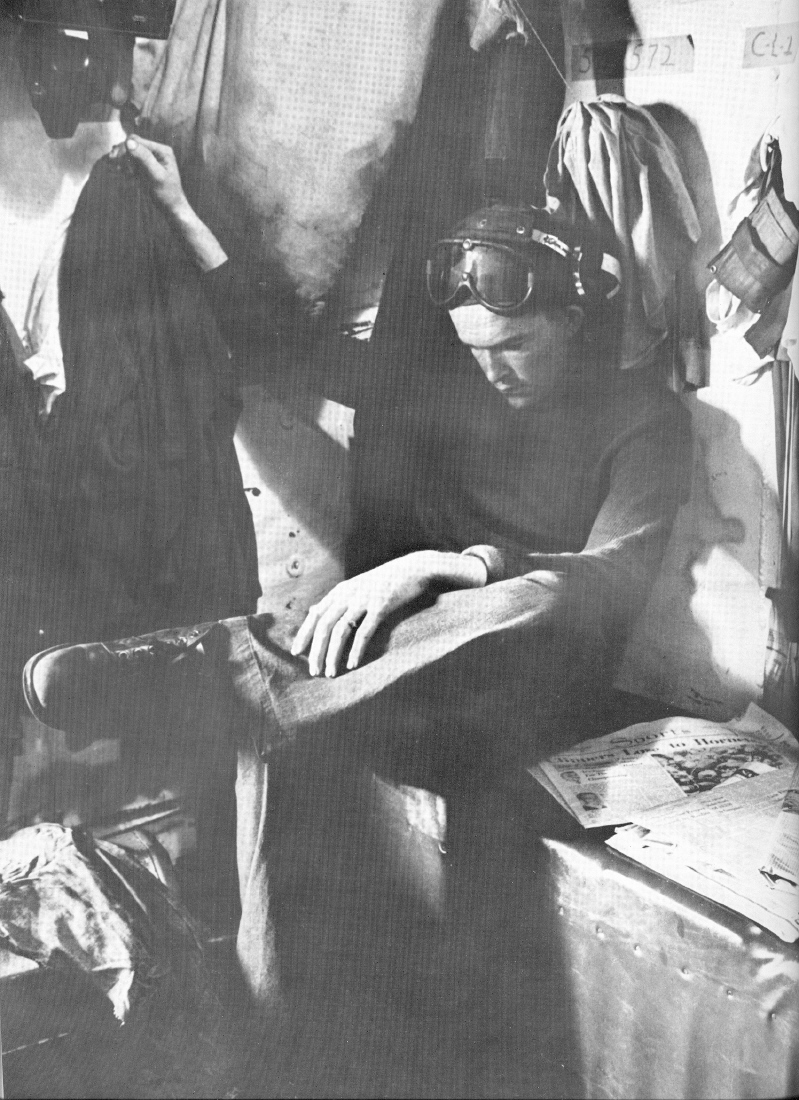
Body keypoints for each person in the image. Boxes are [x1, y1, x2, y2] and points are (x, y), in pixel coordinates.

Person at [23, 137, 692, 1010]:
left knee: (545, 593)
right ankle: (277, 1035)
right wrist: (183, 212)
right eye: (474, 347)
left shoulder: (645, 419)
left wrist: (445, 566)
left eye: (516, 344)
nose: (492, 368)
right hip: (412, 671)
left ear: (572, 316)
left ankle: (219, 662)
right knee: (281, 728)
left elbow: (610, 582)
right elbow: (279, 350)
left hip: (528, 677)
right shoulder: (449, 382)